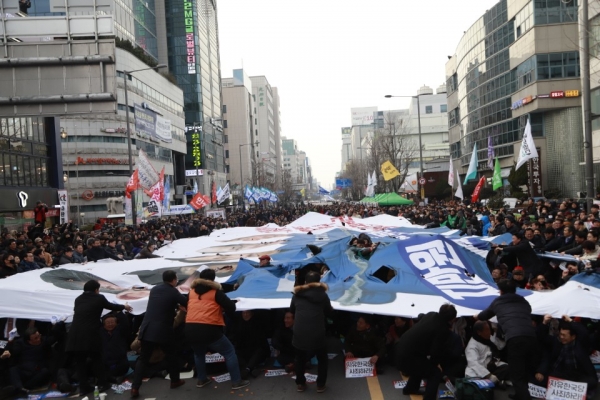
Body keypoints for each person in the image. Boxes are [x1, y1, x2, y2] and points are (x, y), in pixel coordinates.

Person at [184, 269, 250, 391]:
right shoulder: (215, 292)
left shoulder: (192, 292)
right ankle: (236, 381)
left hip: (190, 328)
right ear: (213, 279)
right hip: (209, 328)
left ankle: (202, 379)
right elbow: (231, 307)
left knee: (198, 354)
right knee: (229, 352)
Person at [65, 280, 132, 396]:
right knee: (97, 358)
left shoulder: (78, 299)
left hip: (74, 335)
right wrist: (124, 306)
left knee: (80, 362)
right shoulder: (99, 298)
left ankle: (84, 387)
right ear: (96, 289)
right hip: (90, 335)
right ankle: (103, 383)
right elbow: (111, 306)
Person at [475, 279, 538, 400]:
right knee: (524, 370)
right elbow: (528, 311)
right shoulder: (523, 301)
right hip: (531, 337)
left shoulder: (498, 302)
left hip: (515, 339)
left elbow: (483, 316)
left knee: (516, 374)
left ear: (501, 291)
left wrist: (476, 316)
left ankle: (524, 397)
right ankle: (519, 395)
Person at [131, 270, 188, 398]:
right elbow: (185, 302)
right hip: (163, 330)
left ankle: (135, 387)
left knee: (143, 359)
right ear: (173, 280)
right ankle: (175, 380)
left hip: (147, 328)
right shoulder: (173, 291)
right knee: (172, 355)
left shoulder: (155, 289)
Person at [396, 304, 457, 400]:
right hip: (408, 357)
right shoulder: (442, 330)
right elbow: (435, 352)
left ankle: (410, 388)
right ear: (452, 319)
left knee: (422, 364)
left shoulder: (431, 314)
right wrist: (436, 365)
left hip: (400, 348)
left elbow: (421, 317)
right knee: (435, 373)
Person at [290, 271, 333, 393]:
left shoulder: (297, 295)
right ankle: (320, 385)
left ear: (305, 282)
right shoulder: (323, 296)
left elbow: (292, 310)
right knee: (322, 359)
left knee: (299, 359)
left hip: (299, 333)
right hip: (317, 334)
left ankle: (300, 384)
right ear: (319, 282)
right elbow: (329, 312)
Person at [535, 315, 597, 395]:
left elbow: (584, 333)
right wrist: (544, 323)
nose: (561, 337)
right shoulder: (556, 341)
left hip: (578, 375)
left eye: (564, 335)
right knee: (540, 379)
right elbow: (541, 336)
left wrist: (571, 321)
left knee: (591, 382)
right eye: (560, 334)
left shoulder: (581, 344)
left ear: (573, 337)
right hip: (559, 374)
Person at [464, 321, 509, 386]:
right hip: (478, 371)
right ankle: (494, 381)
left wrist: (496, 331)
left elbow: (499, 346)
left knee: (508, 368)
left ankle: (496, 381)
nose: (489, 332)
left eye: (489, 329)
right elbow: (473, 363)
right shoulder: (472, 346)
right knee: (478, 382)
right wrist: (489, 375)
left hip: (491, 365)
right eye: (487, 330)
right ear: (479, 332)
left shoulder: (487, 339)